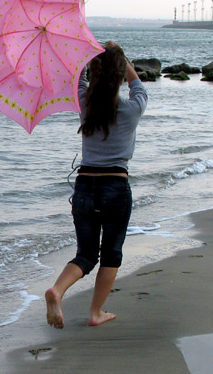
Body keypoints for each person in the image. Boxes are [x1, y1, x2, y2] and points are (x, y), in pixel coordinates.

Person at [45, 42, 147, 329]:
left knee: (86, 254)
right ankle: (95, 312)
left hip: (85, 187)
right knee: (111, 253)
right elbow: (137, 85)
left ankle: (58, 290)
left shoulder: (84, 102)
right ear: (119, 75)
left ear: (95, 72)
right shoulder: (133, 109)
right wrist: (121, 57)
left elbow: (78, 78)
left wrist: (87, 54)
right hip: (116, 187)